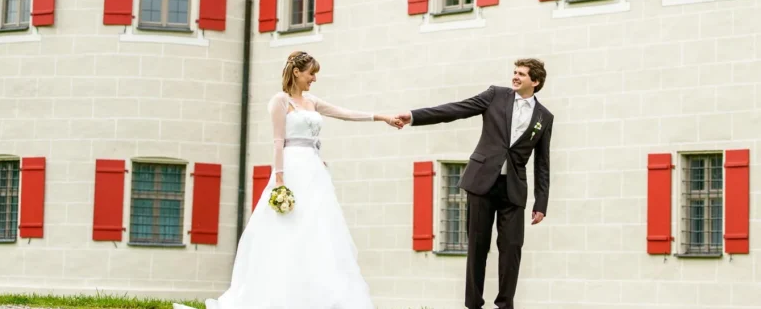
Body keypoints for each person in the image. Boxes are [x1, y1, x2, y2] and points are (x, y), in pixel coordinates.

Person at [183, 51, 403, 309]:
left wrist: (383, 117)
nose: (314, 79)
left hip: (314, 170)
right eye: (311, 73)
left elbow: (345, 113)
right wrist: (279, 180)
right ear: (297, 72)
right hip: (292, 168)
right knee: (288, 227)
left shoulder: (312, 101)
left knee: (319, 228)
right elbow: (278, 141)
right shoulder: (280, 101)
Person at [397, 58, 553, 309]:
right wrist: (414, 116)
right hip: (482, 183)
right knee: (477, 248)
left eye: (521, 74)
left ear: (535, 81)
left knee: (512, 249)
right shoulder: (495, 95)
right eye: (514, 72)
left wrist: (541, 203)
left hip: (513, 189)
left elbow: (543, 163)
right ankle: (473, 305)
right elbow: (456, 109)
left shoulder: (544, 117)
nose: (515, 77)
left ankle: (505, 305)